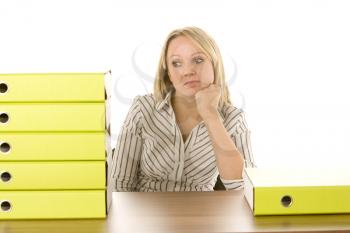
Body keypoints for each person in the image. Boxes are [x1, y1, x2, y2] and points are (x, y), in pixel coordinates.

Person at [111, 26, 255, 192]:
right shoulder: (143, 109)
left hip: (204, 215)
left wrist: (210, 115)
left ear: (214, 64)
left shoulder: (234, 119)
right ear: (169, 74)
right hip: (145, 214)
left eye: (198, 60)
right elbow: (120, 186)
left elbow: (247, 191)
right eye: (177, 63)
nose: (187, 71)